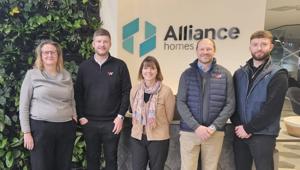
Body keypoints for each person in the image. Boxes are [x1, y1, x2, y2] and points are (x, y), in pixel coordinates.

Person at [75, 28, 131, 170]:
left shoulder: (120, 65)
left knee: (111, 159)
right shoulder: (84, 67)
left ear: (110, 44)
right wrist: (81, 116)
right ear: (93, 44)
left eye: (105, 41)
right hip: (90, 122)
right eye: (99, 41)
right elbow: (78, 94)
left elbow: (126, 92)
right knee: (92, 159)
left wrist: (120, 117)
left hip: (112, 122)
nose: (102, 44)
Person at [231, 30, 288, 170]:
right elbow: (232, 103)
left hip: (264, 135)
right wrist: (240, 127)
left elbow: (272, 109)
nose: (259, 48)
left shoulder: (278, 74)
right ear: (250, 47)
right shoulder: (239, 74)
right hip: (241, 133)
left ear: (271, 47)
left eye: (264, 44)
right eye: (255, 44)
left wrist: (248, 128)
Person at [177, 38, 235, 170]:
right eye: (202, 49)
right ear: (196, 52)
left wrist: (213, 127)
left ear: (214, 51)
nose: (205, 52)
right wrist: (196, 127)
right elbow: (180, 102)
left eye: (208, 49)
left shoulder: (225, 74)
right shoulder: (186, 75)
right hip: (189, 132)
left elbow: (230, 104)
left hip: (214, 133)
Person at [19, 40, 77, 170]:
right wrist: (26, 132)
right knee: (41, 166)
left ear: (58, 55)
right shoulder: (32, 75)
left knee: (63, 166)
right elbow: (24, 106)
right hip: (41, 129)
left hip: (66, 128)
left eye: (53, 52)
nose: (49, 55)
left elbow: (71, 99)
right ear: (40, 55)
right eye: (46, 52)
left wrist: (75, 115)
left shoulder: (66, 75)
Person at [130, 56, 175, 170]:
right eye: (145, 68)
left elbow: (169, 117)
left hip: (158, 138)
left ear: (157, 71)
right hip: (137, 137)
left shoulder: (166, 91)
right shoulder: (135, 90)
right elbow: (133, 110)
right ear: (141, 71)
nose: (148, 71)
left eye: (152, 68)